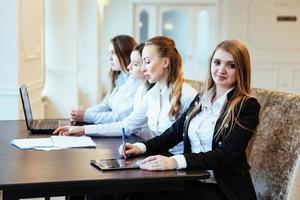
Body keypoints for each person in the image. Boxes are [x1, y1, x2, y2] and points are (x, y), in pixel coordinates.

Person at [120, 39, 261, 200]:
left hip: (222, 189)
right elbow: (172, 134)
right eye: (217, 62)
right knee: (128, 188)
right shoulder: (201, 99)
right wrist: (140, 147)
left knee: (144, 193)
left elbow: (225, 155)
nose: (221, 69)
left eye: (231, 65)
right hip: (190, 180)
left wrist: (175, 161)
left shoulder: (247, 106)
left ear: (241, 70)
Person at [54, 36, 198, 156]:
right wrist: (82, 130)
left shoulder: (188, 96)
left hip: (178, 166)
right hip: (159, 157)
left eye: (147, 62)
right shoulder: (152, 95)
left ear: (165, 62)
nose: (142, 68)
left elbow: (197, 145)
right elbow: (127, 125)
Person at [70, 35, 139, 124]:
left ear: (125, 53)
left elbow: (121, 117)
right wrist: (81, 113)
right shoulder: (120, 78)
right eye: (109, 53)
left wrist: (86, 116)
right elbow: (105, 105)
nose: (109, 58)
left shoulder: (136, 82)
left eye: (113, 53)